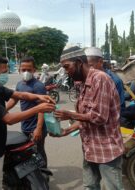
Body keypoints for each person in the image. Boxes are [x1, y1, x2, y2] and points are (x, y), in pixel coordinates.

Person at [0, 55, 55, 190]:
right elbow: (9, 119)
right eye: (4, 72)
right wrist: (38, 107)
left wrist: (39, 96)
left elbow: (20, 95)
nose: (6, 75)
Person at [52, 46, 124, 190]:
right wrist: (67, 130)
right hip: (89, 148)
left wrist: (70, 115)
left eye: (67, 67)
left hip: (106, 150)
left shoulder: (100, 79)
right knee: (90, 185)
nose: (66, 72)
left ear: (79, 62)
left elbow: (99, 117)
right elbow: (85, 118)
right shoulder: (82, 83)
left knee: (113, 187)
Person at [6, 56, 48, 168]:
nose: (26, 72)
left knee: (38, 151)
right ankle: (33, 173)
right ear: (19, 69)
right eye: (23, 69)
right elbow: (14, 99)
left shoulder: (38, 86)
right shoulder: (20, 84)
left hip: (36, 127)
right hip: (25, 126)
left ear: (34, 70)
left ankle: (44, 174)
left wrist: (38, 129)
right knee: (28, 152)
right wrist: (3, 110)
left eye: (29, 70)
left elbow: (42, 108)